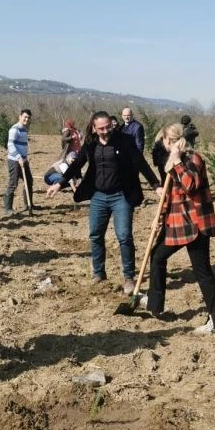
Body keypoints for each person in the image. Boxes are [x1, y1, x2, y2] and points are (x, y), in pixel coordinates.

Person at [46, 111, 161, 294]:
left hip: (121, 196)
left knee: (124, 236)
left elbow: (141, 163)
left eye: (108, 126)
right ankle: (99, 274)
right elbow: (77, 164)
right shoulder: (91, 143)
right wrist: (59, 183)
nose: (106, 131)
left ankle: (129, 277)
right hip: (98, 196)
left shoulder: (125, 141)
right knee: (95, 235)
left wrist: (156, 185)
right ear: (94, 127)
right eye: (101, 128)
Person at [141, 123, 215, 335]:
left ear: (170, 142)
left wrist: (178, 161)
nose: (162, 144)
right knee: (158, 255)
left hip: (196, 225)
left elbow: (191, 185)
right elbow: (169, 196)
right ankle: (155, 304)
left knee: (203, 272)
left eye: (164, 140)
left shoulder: (193, 159)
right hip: (178, 223)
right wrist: (158, 218)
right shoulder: (170, 163)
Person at [4, 109, 34, 215]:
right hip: (14, 160)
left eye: (28, 117)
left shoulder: (24, 129)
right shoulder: (14, 129)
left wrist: (24, 158)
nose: (26, 119)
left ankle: (28, 204)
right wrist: (18, 157)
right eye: (25, 117)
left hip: (23, 160)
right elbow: (10, 145)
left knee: (29, 181)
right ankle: (8, 208)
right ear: (20, 117)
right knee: (13, 183)